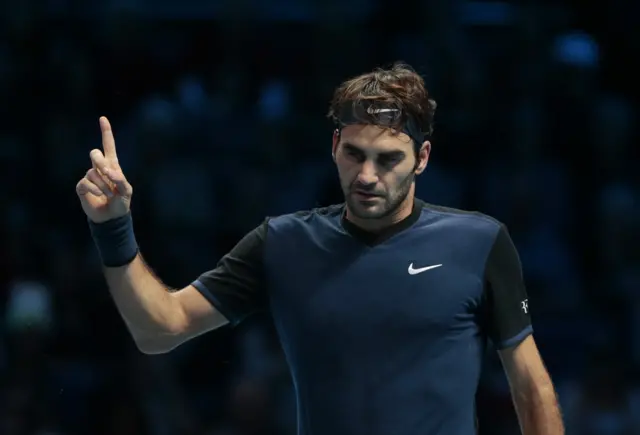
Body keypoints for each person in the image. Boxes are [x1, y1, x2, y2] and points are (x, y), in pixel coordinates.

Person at [76, 63, 564, 435]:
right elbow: (159, 330)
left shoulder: (480, 243)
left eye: (388, 159)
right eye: (355, 154)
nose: (367, 176)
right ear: (335, 146)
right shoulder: (283, 243)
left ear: (423, 159)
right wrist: (113, 228)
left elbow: (531, 387)